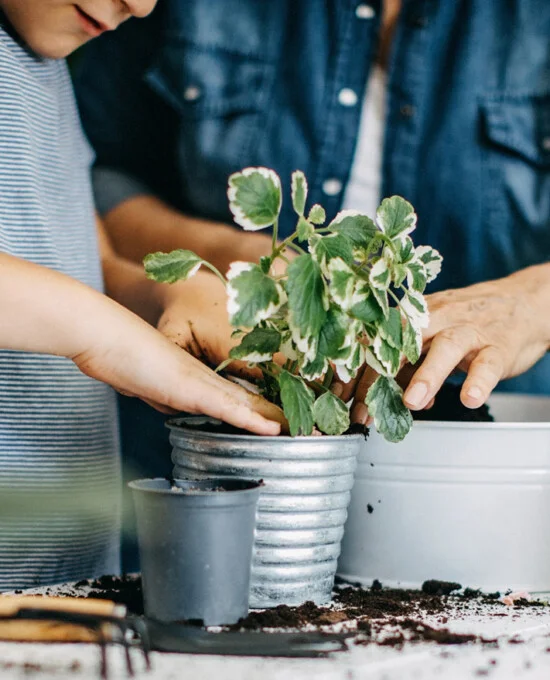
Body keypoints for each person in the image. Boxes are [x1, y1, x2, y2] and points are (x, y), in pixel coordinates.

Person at [74, 0, 550, 462]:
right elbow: (93, 172)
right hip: (216, 440)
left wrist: (530, 302)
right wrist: (238, 257)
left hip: (497, 459)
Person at [0, 0, 283, 590]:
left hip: (66, 586)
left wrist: (171, 291)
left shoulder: (43, 60)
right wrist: (104, 334)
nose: (143, 4)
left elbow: (84, 256)